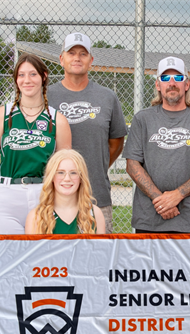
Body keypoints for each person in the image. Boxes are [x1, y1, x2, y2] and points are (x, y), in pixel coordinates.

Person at [14, 150, 105, 334]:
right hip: (47, 288)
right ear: (51, 178)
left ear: (81, 178)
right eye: (61, 172)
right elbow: (32, 266)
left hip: (81, 288)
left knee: (84, 314)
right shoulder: (38, 215)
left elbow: (99, 263)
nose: (67, 178)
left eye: (73, 173)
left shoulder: (92, 213)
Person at [123, 56, 190, 233]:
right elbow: (132, 164)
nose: (172, 83)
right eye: (166, 78)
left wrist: (178, 195)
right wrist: (160, 200)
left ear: (187, 84)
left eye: (178, 78)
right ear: (158, 85)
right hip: (150, 217)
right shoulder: (143, 119)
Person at [0, 53, 72, 235]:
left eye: (33, 74)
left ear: (44, 76)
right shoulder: (3, 115)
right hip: (8, 192)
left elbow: (66, 168)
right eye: (21, 75)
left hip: (43, 193)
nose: (27, 80)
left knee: (41, 256)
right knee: (6, 256)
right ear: (16, 80)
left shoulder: (57, 120)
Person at [47, 32, 127, 233]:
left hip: (95, 194)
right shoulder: (46, 96)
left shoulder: (107, 97)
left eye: (83, 54)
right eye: (71, 52)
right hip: (54, 196)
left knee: (99, 259)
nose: (77, 58)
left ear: (91, 61)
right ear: (61, 59)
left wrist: (95, 166)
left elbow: (117, 141)